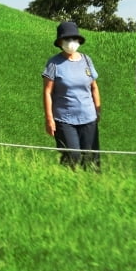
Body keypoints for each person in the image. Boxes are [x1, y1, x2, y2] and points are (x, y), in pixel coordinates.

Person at [42, 21, 101, 170]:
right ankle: (65, 184)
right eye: (67, 39)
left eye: (74, 39)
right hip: (64, 119)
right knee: (72, 157)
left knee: (91, 161)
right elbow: (47, 92)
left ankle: (90, 187)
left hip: (88, 118)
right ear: (60, 41)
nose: (71, 43)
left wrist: (97, 110)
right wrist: (49, 119)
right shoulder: (54, 63)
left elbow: (94, 87)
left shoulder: (87, 60)